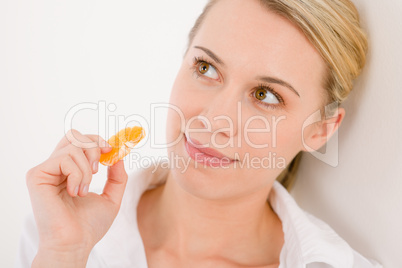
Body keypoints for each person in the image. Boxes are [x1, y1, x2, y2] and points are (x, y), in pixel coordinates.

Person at [17, 0, 383, 267]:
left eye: (266, 96)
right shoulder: (57, 235)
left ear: (319, 130)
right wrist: (63, 255)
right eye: (206, 68)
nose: (214, 119)